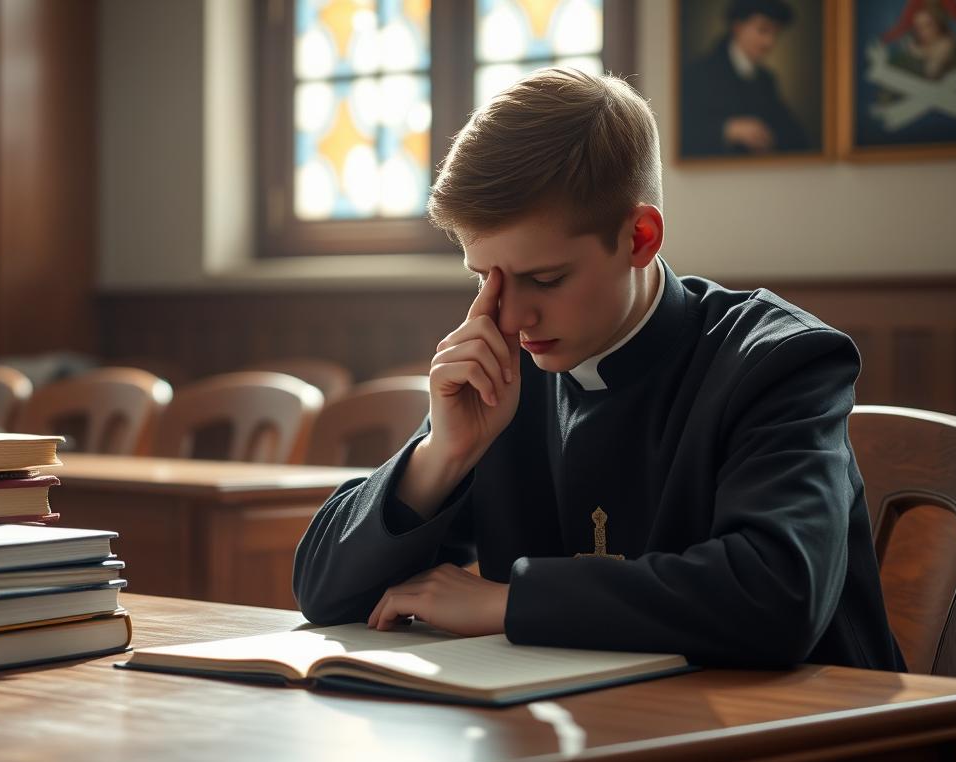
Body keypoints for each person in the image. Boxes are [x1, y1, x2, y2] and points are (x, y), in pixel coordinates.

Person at [292, 67, 905, 671]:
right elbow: (325, 596)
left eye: (546, 278)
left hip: (801, 739)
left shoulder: (776, 360)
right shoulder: (506, 372)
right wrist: (441, 456)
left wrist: (511, 603)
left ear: (641, 237)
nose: (511, 315)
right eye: (485, 279)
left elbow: (777, 597)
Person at [681, 0, 811, 156]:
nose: (770, 42)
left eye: (776, 33)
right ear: (738, 27)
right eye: (763, 30)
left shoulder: (766, 80)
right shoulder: (698, 74)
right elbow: (682, 131)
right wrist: (728, 130)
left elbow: (793, 134)